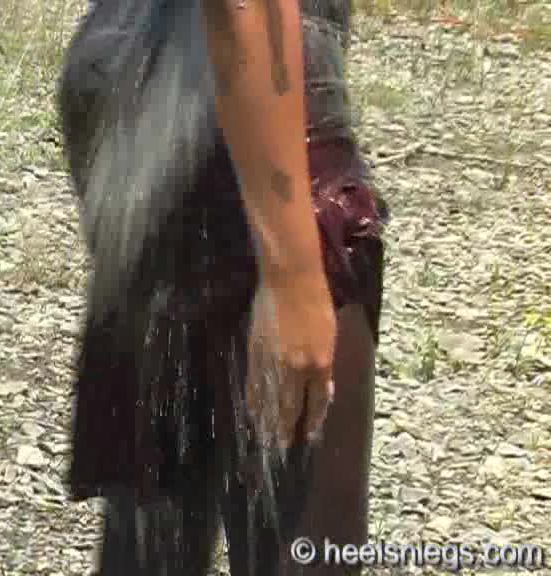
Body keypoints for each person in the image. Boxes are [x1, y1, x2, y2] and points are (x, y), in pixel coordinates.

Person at [59, 0, 386, 574]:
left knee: (162, 528)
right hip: (243, 90)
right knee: (305, 547)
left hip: (142, 71)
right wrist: (292, 274)